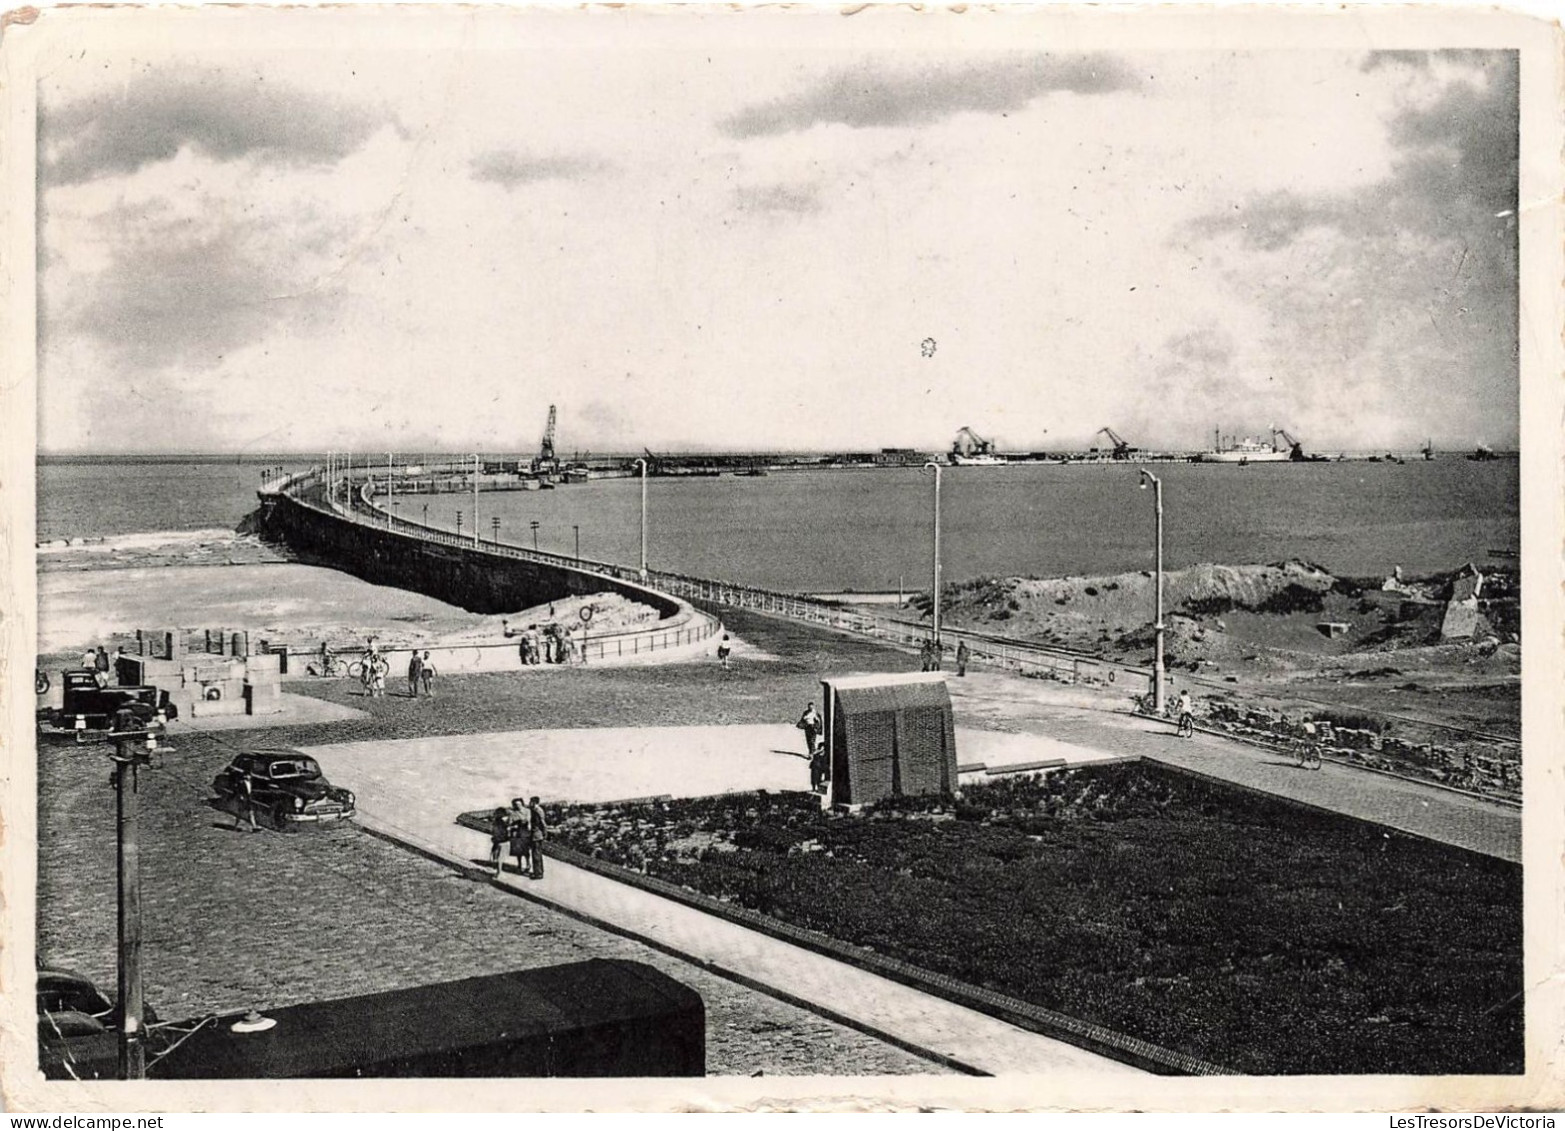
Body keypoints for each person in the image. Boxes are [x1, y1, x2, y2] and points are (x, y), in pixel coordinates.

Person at [508, 798, 532, 878]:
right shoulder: (513, 813)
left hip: (525, 833)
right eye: (516, 805)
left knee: (526, 850)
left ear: (522, 804)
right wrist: (513, 826)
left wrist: (523, 822)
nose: (518, 806)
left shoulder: (527, 811)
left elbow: (528, 820)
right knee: (518, 851)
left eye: (519, 804)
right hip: (517, 833)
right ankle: (519, 865)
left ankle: (528, 864)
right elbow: (510, 823)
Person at [526, 796, 549, 879]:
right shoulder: (534, 810)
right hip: (535, 835)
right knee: (536, 854)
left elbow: (543, 823)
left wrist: (545, 833)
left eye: (530, 802)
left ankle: (538, 874)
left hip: (537, 835)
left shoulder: (538, 811)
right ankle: (538, 871)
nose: (529, 803)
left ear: (534, 802)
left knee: (536, 855)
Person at [489, 807, 512, 878]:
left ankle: (497, 872)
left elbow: (493, 832)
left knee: (497, 857)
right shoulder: (503, 823)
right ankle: (498, 872)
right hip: (502, 841)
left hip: (498, 841)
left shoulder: (496, 822)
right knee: (499, 858)